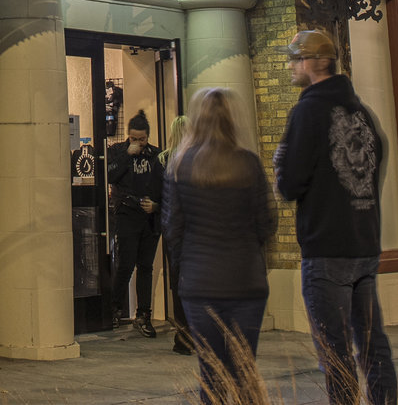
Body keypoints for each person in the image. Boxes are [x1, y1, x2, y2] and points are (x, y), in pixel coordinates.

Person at [274, 30, 398, 405]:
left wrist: (281, 165)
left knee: (336, 353)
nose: (292, 66)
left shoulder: (308, 111)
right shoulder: (361, 110)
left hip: (327, 248)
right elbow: (377, 166)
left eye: (296, 59)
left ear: (316, 62)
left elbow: (291, 184)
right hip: (363, 242)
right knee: (374, 346)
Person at [165, 86, 276, 399]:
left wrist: (184, 269)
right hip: (246, 282)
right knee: (244, 370)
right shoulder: (248, 164)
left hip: (201, 284)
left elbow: (173, 228)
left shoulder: (180, 166)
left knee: (211, 373)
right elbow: (267, 222)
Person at [106, 110, 164, 336]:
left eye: (142, 139)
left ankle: (144, 314)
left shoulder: (156, 155)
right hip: (127, 215)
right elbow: (109, 176)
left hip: (149, 218)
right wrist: (126, 155)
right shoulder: (117, 151)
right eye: (133, 138)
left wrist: (156, 205)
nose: (138, 143)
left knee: (146, 267)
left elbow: (163, 186)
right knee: (125, 264)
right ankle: (114, 308)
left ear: (147, 137)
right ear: (128, 136)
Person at [164, 112, 194, 356]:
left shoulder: (165, 161)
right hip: (197, 235)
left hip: (176, 234)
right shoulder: (201, 161)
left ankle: (184, 336)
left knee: (179, 286)